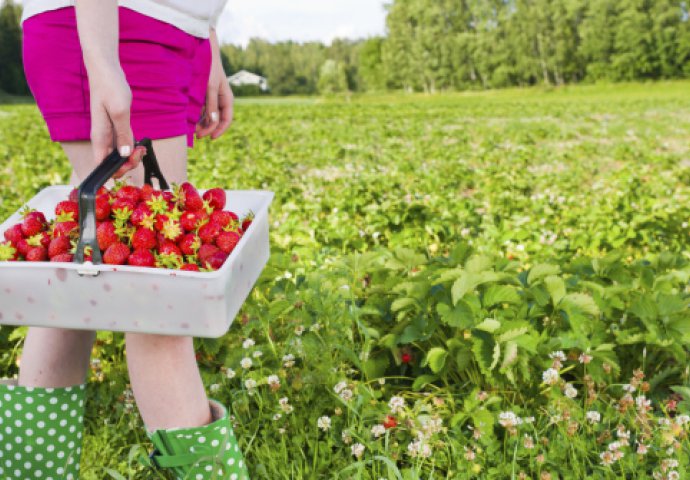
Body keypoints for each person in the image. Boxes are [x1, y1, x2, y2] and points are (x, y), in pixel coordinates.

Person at [0, 1, 248, 478]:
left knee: (77, 273)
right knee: (158, 302)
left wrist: (206, 41)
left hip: (166, 31)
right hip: (114, 26)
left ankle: (31, 471)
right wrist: (102, 61)